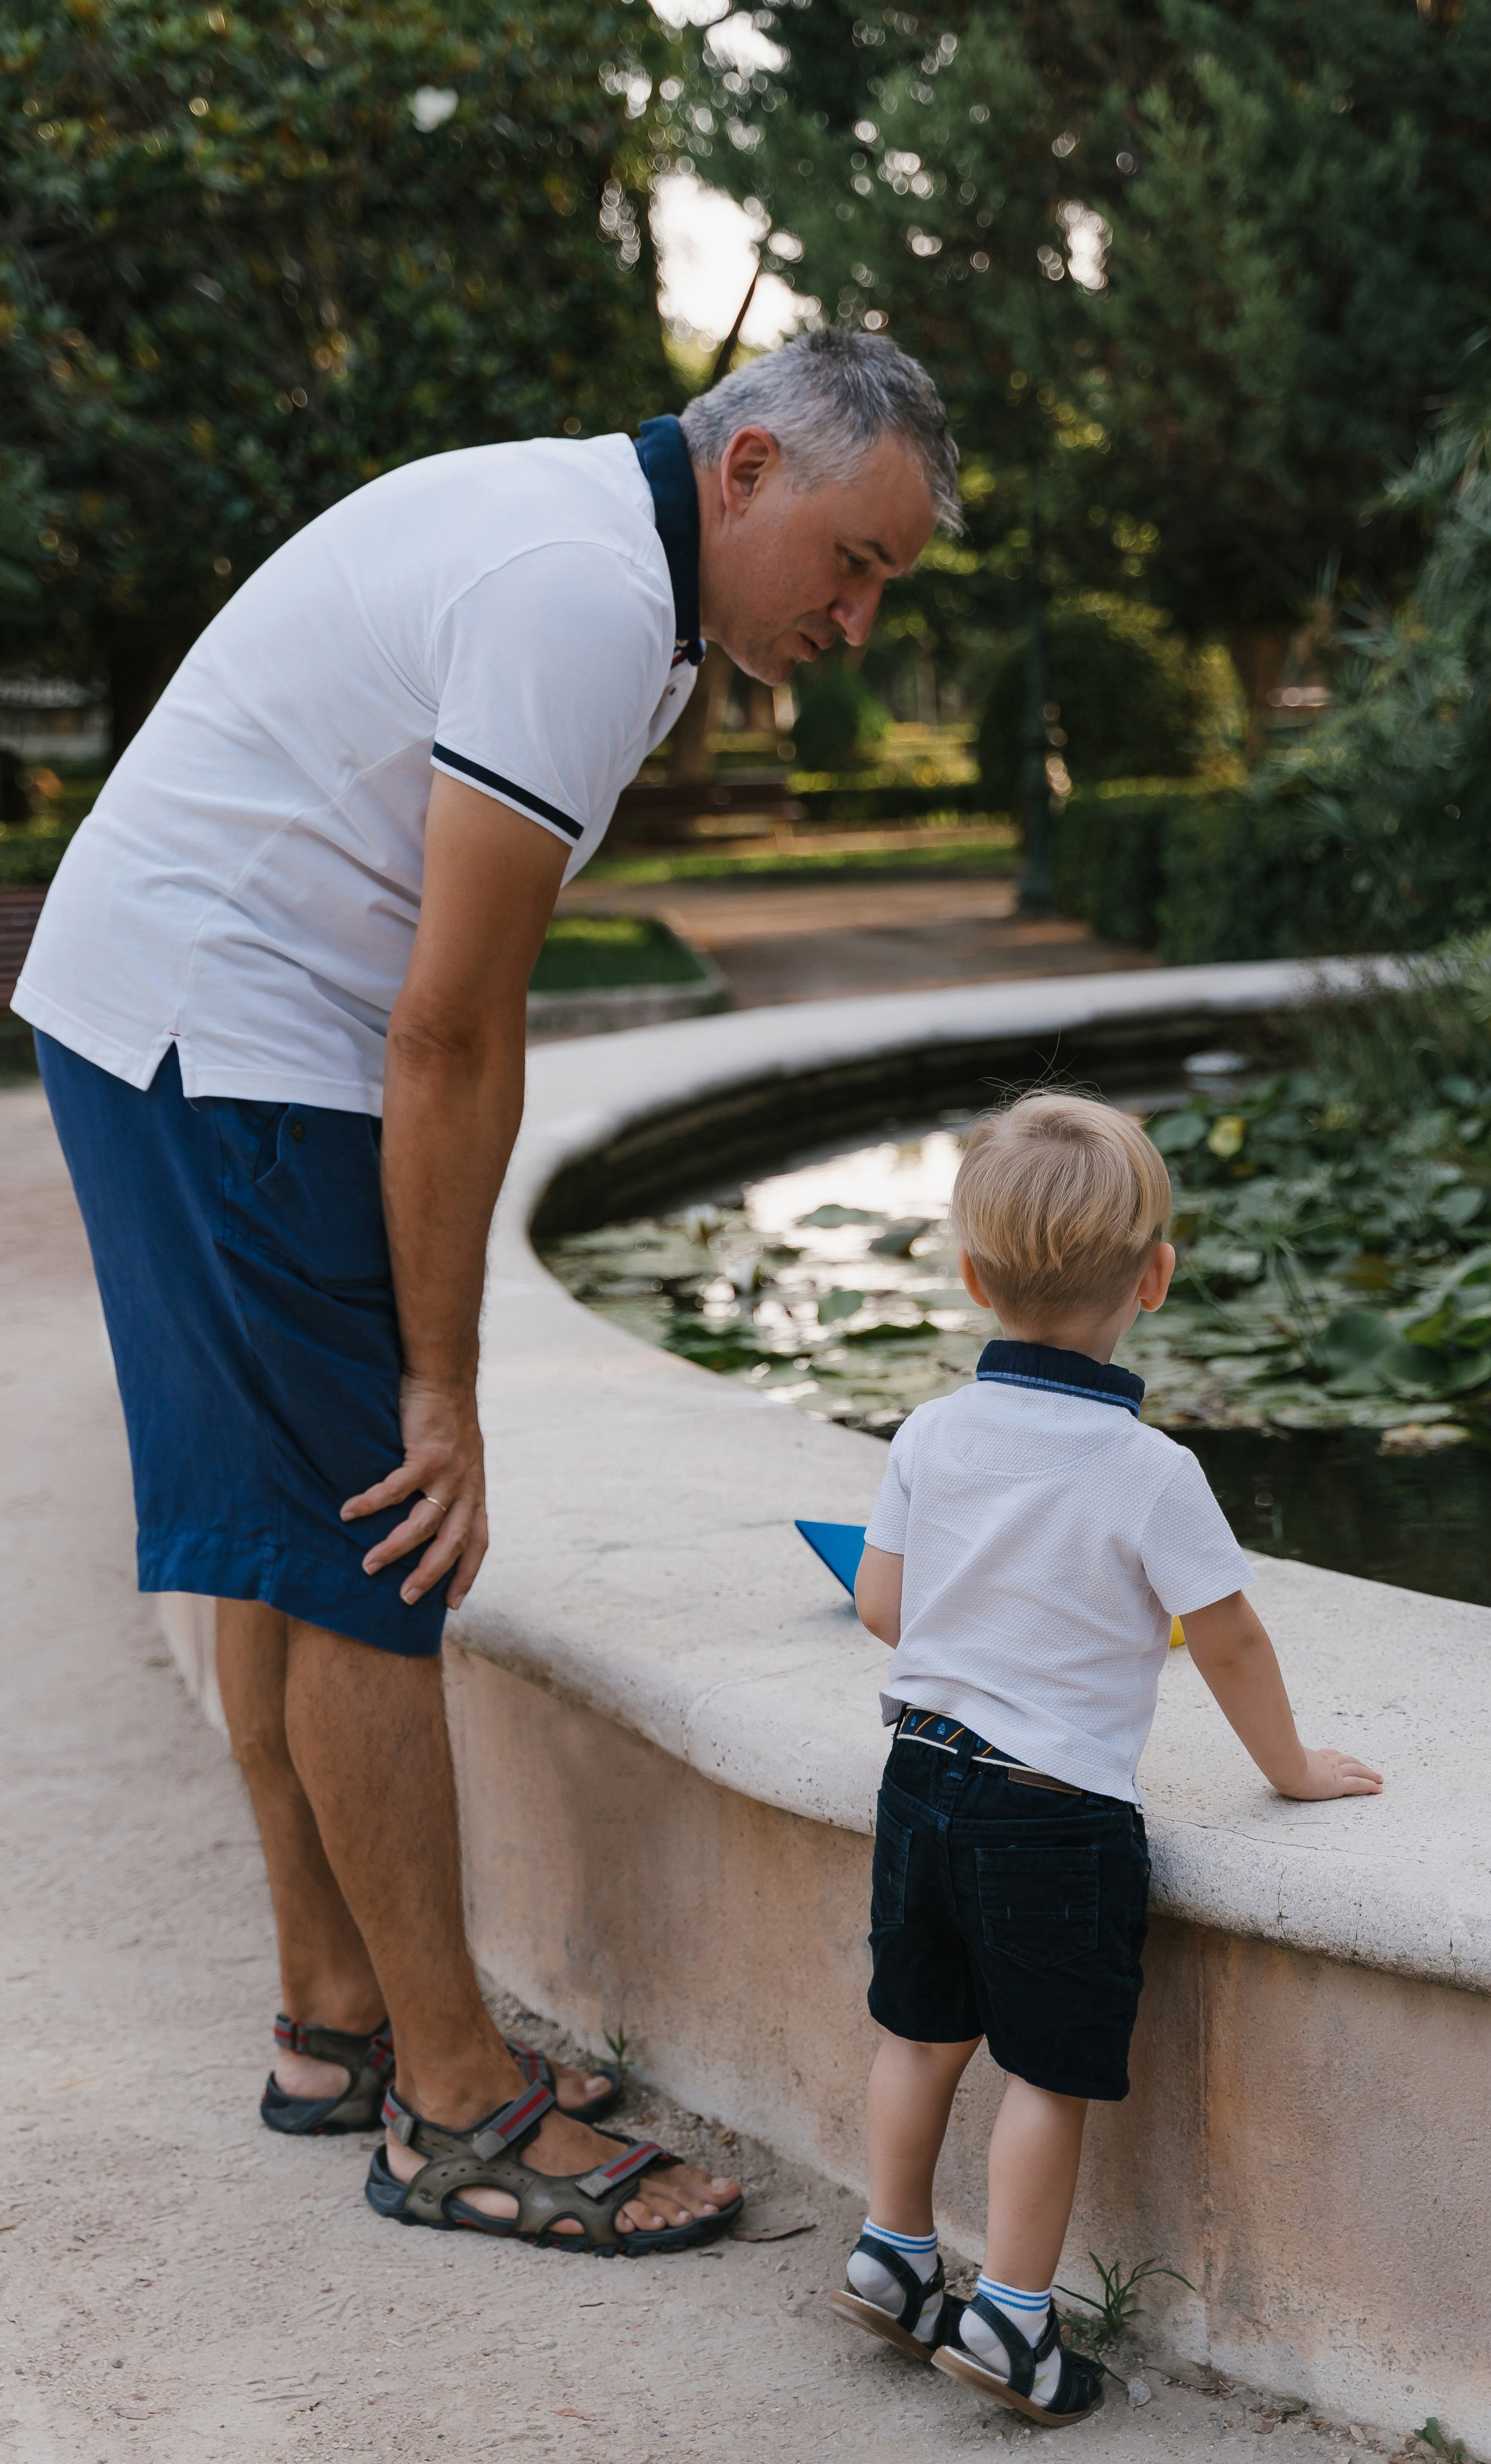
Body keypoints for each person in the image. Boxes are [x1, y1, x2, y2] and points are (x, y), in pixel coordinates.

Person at [15, 328, 960, 2255]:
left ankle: (335, 2016)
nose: (859, 615)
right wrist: (440, 1387)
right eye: (853, 563)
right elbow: (454, 1032)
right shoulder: (591, 593)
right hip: (228, 1032)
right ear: (752, 466)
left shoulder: (604, 554)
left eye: (891, 587)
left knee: (303, 1538)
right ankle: (455, 2108)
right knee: (378, 1532)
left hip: (168, 1015)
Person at [830, 1093, 1383, 2420]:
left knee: (917, 2035)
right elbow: (1231, 1643)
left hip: (918, 1776)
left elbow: (882, 1610)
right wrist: (1291, 1766)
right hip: (1050, 1813)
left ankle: (894, 2254)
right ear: (1155, 1278)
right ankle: (1012, 2323)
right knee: (1047, 2071)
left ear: (971, 1280)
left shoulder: (925, 1434)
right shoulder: (1148, 1470)